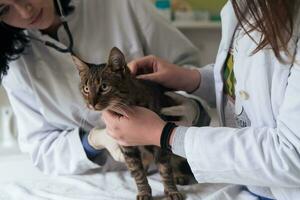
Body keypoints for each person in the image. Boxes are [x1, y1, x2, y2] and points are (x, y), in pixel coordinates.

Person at [102, 0, 300, 199]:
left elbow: (292, 155)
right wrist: (192, 79)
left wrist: (166, 135)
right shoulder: (242, 6)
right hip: (250, 182)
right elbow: (246, 82)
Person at [0, 0, 203, 175]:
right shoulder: (16, 65)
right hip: (95, 180)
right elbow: (42, 149)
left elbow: (189, 70)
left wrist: (191, 107)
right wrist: (94, 141)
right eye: (4, 9)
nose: (25, 12)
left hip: (168, 164)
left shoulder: (119, 4)